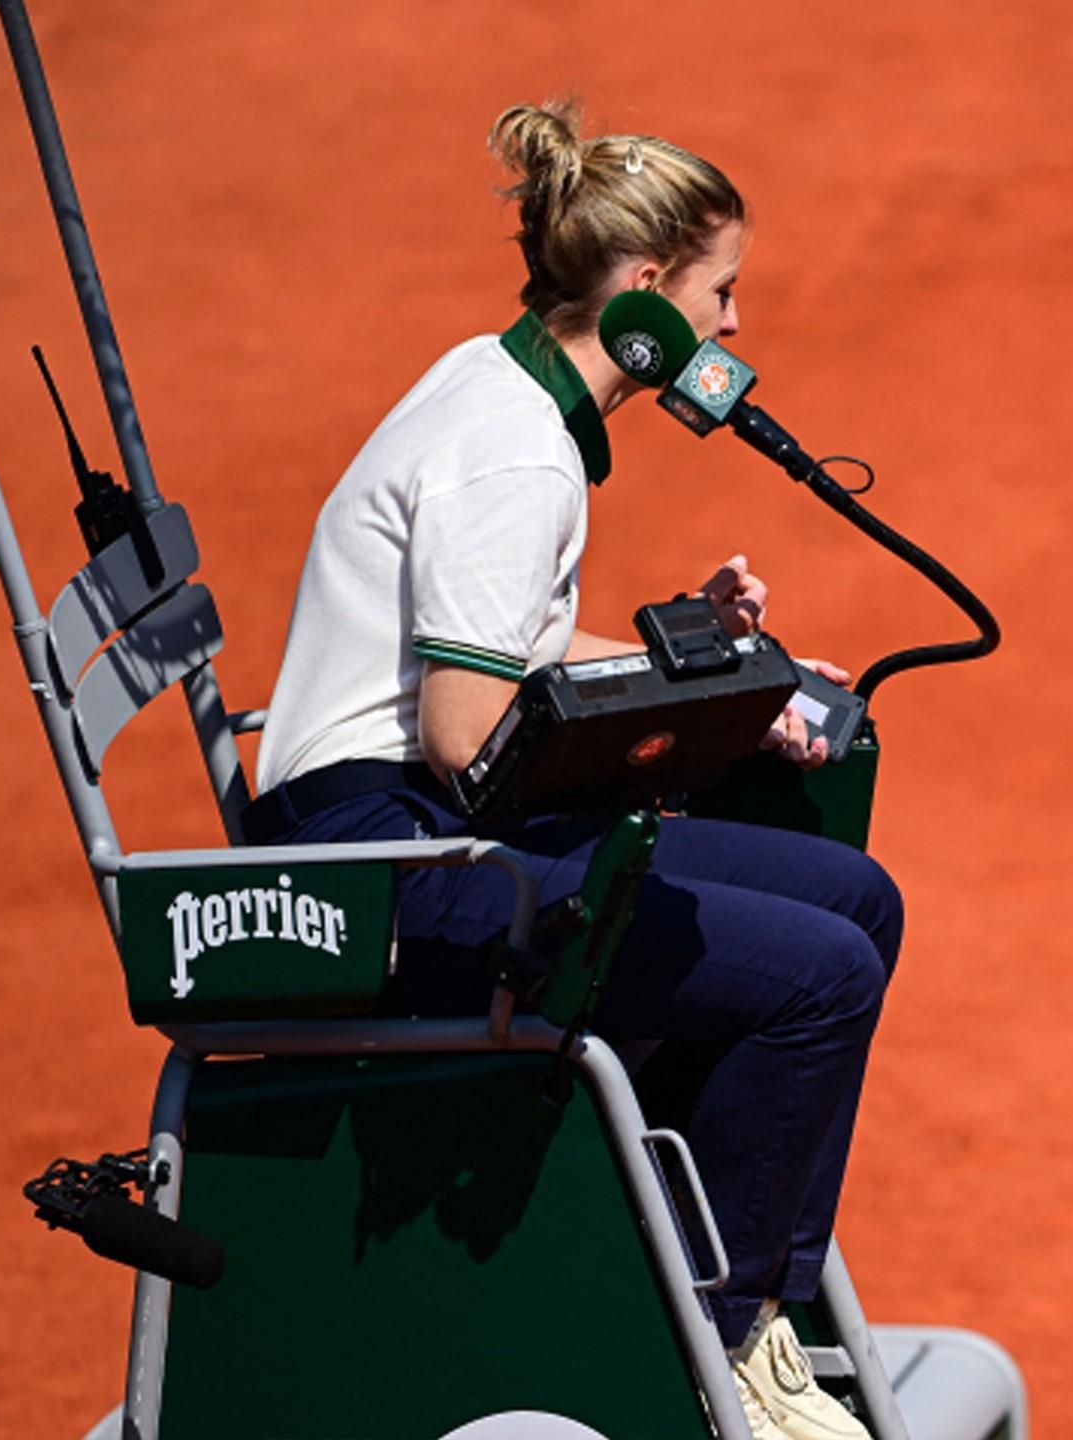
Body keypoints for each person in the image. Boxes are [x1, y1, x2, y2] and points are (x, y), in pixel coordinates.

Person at [249, 100, 886, 1440]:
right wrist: (678, 717)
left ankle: (720, 1280)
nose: (732, 332)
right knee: (819, 980)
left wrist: (702, 664)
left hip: (415, 814)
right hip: (391, 856)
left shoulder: (497, 382)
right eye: (723, 295)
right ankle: (712, 1343)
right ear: (647, 296)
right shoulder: (517, 452)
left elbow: (506, 640)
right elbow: (472, 739)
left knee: (856, 902)